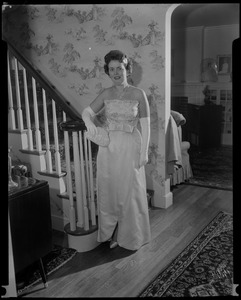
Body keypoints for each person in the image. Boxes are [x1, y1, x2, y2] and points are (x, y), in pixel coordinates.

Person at [81, 50, 151, 250]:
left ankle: (131, 236)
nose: (116, 73)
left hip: (131, 146)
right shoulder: (106, 93)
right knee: (111, 191)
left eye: (119, 68)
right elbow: (87, 112)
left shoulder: (139, 94)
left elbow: (145, 126)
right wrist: (90, 124)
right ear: (108, 72)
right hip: (110, 148)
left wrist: (144, 152)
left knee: (130, 191)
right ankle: (113, 234)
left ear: (127, 69)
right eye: (111, 69)